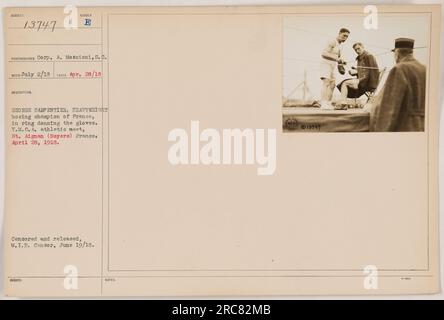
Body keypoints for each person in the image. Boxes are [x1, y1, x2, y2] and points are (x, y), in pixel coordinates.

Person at [370, 38, 426, 132]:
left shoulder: (400, 69)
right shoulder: (424, 69)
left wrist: (379, 134)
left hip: (405, 128)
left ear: (397, 53)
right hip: (422, 128)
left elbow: (388, 108)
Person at [319, 28, 350, 109]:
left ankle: (328, 103)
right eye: (344, 35)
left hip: (332, 66)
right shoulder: (332, 41)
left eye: (347, 37)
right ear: (339, 33)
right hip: (326, 64)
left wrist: (341, 62)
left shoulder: (340, 46)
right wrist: (337, 59)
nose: (345, 38)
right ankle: (323, 103)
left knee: (332, 84)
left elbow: (337, 58)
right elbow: (324, 53)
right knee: (326, 82)